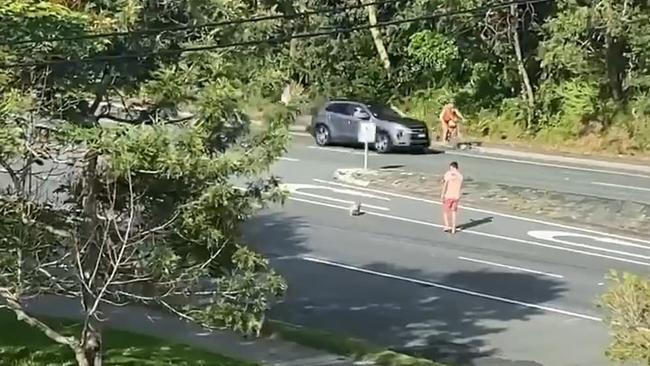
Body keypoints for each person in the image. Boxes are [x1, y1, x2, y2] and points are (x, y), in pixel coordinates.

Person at [440, 161, 463, 234]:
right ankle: (453, 228)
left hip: (448, 195)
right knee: (454, 212)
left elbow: (445, 185)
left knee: (445, 211)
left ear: (453, 167)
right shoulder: (460, 176)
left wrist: (442, 195)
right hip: (456, 196)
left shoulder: (448, 175)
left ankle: (447, 225)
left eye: (451, 168)